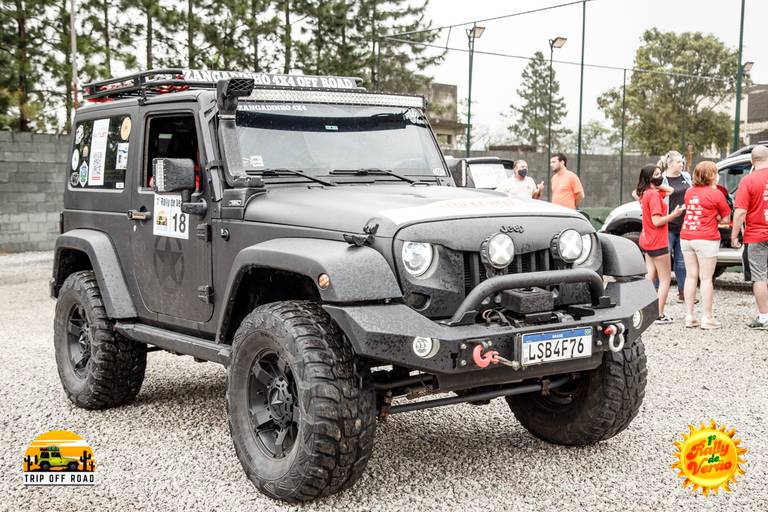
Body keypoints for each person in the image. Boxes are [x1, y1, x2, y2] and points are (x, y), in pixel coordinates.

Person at [679, 161, 731, 329]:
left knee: (690, 276)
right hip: (706, 238)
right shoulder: (716, 194)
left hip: (686, 236)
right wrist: (716, 217)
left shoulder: (689, 192)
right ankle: (707, 318)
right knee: (706, 278)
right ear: (711, 175)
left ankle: (690, 316)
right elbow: (726, 218)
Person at [636, 164, 685, 324]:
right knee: (665, 279)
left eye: (660, 173)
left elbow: (670, 190)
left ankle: (642, 310)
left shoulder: (645, 193)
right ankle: (658, 314)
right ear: (649, 178)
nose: (660, 177)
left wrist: (654, 183)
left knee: (650, 276)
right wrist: (674, 215)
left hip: (647, 240)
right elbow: (657, 221)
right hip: (657, 241)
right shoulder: (654, 196)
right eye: (656, 174)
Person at [731, 144, 768, 330]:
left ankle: (764, 318)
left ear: (753, 161)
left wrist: (734, 235)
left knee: (759, 276)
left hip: (756, 235)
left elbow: (740, 212)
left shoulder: (748, 180)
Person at [660, 151, 693, 303]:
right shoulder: (662, 179)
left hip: (684, 226)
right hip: (667, 227)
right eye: (679, 162)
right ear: (670, 164)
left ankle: (683, 293)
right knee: (663, 260)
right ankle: (657, 293)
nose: (682, 164)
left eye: (682, 161)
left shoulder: (686, 177)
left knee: (681, 262)